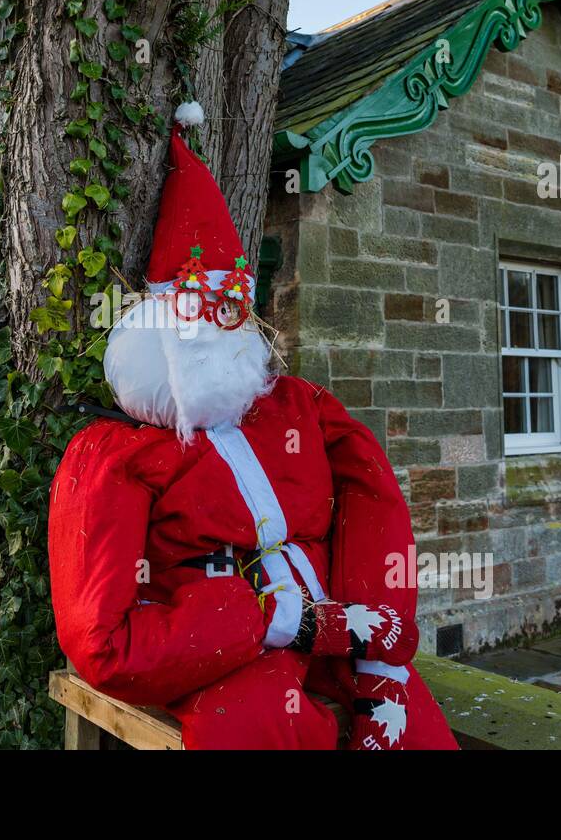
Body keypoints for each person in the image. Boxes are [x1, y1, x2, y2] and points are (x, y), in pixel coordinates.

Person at [47, 103, 457, 750]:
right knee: (251, 725)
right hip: (226, 653)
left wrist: (376, 637)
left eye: (230, 315)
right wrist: (262, 618)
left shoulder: (299, 407)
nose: (218, 334)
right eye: (200, 317)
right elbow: (103, 640)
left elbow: (374, 502)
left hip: (341, 628)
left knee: (413, 728)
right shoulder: (115, 453)